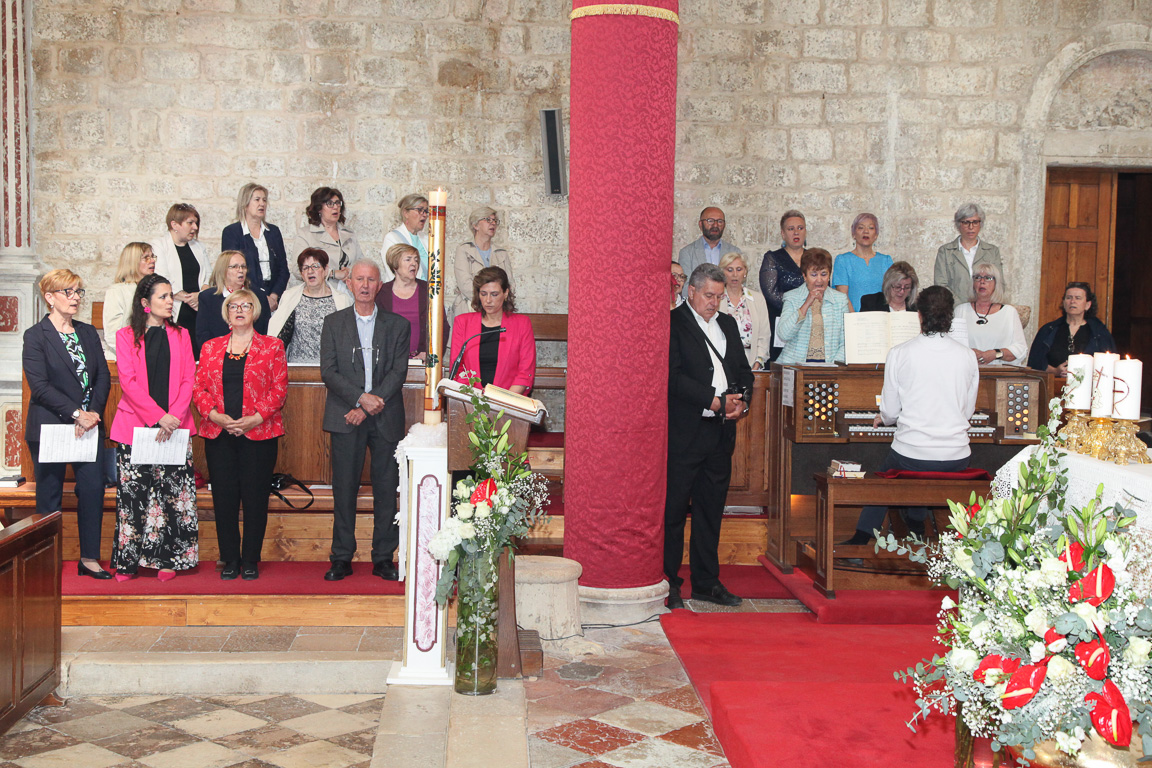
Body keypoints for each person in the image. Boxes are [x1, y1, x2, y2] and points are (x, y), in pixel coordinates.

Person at [843, 286, 979, 545]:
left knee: (886, 473)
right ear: (950, 317)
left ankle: (862, 538)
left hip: (912, 456)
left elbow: (890, 412)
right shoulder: (968, 356)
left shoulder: (900, 353)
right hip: (957, 457)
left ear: (919, 315)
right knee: (921, 465)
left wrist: (884, 418)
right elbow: (967, 412)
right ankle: (917, 522)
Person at [665, 263, 754, 609]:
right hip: (686, 433)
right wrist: (714, 401)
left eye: (719, 296)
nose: (714, 303)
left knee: (710, 511)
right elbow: (672, 377)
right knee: (674, 512)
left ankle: (706, 582)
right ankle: (669, 582)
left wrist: (741, 402)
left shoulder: (727, 324)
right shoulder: (673, 323)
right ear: (691, 291)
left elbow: (743, 371)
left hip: (720, 434)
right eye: (708, 296)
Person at [319, 260, 410, 582]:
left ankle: (383, 557)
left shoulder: (397, 325)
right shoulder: (333, 323)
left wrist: (368, 406)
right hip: (346, 415)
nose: (365, 285)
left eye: (371, 279)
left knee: (386, 490)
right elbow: (328, 371)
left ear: (380, 285)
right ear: (350, 284)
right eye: (359, 279)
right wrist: (360, 399)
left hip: (384, 416)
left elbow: (398, 372)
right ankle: (341, 557)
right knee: (344, 489)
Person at [23, 269, 112, 579]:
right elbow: (40, 386)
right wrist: (76, 413)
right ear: (50, 297)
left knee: (92, 490)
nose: (75, 298)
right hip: (52, 426)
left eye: (78, 292)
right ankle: (46, 562)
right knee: (49, 496)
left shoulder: (87, 333)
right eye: (68, 292)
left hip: (89, 426)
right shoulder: (36, 335)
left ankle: (89, 559)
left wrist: (93, 413)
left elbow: (102, 376)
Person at [194, 289, 288, 581]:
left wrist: (253, 419)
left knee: (255, 498)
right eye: (233, 306)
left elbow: (279, 390)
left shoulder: (272, 346)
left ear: (254, 311)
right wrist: (215, 416)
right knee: (224, 499)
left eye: (245, 306)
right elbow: (199, 388)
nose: (239, 310)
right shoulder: (210, 347)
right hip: (219, 434)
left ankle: (250, 559)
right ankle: (230, 558)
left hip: (259, 433)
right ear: (226, 313)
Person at [110, 274, 199, 582]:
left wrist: (173, 416)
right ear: (145, 303)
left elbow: (188, 379)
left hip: (176, 426)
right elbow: (128, 382)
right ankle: (128, 563)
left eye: (171, 296)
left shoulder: (182, 334)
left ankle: (169, 560)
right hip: (136, 427)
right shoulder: (126, 336)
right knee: (133, 498)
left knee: (173, 497)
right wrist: (158, 416)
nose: (170, 301)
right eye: (163, 296)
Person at [448, 266, 535, 393]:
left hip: (508, 398)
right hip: (471, 397)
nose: (488, 300)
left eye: (494, 294)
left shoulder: (522, 324)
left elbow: (525, 372)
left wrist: (501, 399)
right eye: (483, 294)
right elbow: (457, 369)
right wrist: (476, 396)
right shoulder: (463, 322)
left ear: (505, 293)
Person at [267, 248, 352, 364]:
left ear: (325, 270)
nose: (310, 271)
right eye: (305, 268)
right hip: (297, 367)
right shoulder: (290, 297)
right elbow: (279, 337)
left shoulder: (343, 300)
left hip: (331, 367)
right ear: (302, 274)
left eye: (315, 266)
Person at [776, 248, 853, 365]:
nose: (819, 280)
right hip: (794, 366)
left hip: (830, 366)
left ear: (829, 275)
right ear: (804, 276)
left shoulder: (840, 300)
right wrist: (806, 303)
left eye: (824, 274)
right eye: (814, 275)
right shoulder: (792, 297)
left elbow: (846, 341)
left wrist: (832, 367)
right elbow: (784, 334)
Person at [221, 183, 289, 311]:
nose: (262, 204)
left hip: (274, 299)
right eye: (257, 200)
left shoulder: (273, 232)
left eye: (264, 200)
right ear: (245, 204)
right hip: (245, 298)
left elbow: (283, 269)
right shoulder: (232, 232)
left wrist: (274, 296)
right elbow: (233, 271)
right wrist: (261, 297)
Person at [151, 203, 209, 348]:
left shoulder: (198, 246)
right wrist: (190, 298)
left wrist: (200, 295)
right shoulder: (159, 245)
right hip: (175, 309)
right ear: (174, 225)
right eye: (190, 223)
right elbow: (162, 277)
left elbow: (208, 275)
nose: (195, 227)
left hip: (198, 309)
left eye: (196, 223)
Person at [1027, 282, 1117, 375]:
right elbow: (1034, 363)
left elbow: (1108, 366)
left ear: (1087, 305)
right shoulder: (1049, 330)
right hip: (1053, 382)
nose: (1072, 301)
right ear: (1064, 303)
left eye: (1078, 298)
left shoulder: (1099, 333)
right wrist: (1055, 371)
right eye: (1069, 297)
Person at [195, 250, 272, 357]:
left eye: (243, 266)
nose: (241, 270)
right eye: (235, 267)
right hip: (218, 357)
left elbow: (265, 330)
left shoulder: (259, 296)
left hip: (253, 356)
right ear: (223, 270)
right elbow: (202, 335)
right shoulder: (207, 298)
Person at [376, 243, 443, 362]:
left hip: (421, 362)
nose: (414, 264)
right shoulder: (381, 292)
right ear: (395, 265)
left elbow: (442, 326)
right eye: (408, 259)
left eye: (416, 260)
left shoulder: (428, 290)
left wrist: (430, 353)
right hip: (389, 362)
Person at [954, 263, 1027, 366]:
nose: (982, 281)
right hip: (968, 370)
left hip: (999, 372)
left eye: (988, 278)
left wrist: (995, 354)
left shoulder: (1009, 312)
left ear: (996, 284)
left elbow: (1020, 349)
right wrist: (969, 352)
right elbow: (951, 345)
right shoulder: (961, 310)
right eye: (977, 277)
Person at [759, 210, 808, 361]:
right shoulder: (772, 258)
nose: (796, 232)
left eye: (800, 228)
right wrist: (798, 310)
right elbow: (771, 293)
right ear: (783, 233)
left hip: (809, 321)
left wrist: (807, 310)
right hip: (781, 321)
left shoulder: (814, 258)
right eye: (791, 229)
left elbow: (823, 288)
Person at [291, 187, 364, 290]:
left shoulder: (349, 233)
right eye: (330, 204)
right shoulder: (306, 234)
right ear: (319, 208)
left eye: (338, 203)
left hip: (348, 292)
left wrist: (350, 273)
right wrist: (332, 273)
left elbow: (361, 263)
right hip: (321, 291)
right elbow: (297, 269)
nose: (335, 207)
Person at [934, 202, 1003, 304]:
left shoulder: (992, 251)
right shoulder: (945, 252)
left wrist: (982, 306)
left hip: (985, 308)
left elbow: (998, 283)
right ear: (958, 224)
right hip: (954, 308)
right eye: (966, 222)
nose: (971, 227)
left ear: (980, 224)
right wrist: (961, 306)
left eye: (975, 222)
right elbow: (941, 285)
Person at [451, 207, 513, 319]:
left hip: (497, 310)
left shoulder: (501, 253)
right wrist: (486, 301)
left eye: (495, 221)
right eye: (488, 220)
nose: (493, 223)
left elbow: (510, 283)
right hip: (470, 307)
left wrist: (496, 303)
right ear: (475, 225)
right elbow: (464, 283)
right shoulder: (464, 250)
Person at [717, 252, 771, 369]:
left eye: (739, 269)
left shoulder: (757, 299)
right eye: (729, 270)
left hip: (751, 362)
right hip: (722, 363)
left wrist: (758, 362)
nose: (735, 274)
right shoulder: (716, 299)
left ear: (745, 272)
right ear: (722, 273)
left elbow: (764, 335)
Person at [103, 242, 156, 360]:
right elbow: (112, 334)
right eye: (146, 258)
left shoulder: (154, 289)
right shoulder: (117, 291)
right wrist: (137, 354)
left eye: (152, 257)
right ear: (132, 262)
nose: (152, 261)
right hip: (124, 356)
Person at [832, 212, 892, 311]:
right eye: (861, 228)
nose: (866, 231)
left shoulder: (886, 261)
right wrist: (855, 319)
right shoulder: (843, 260)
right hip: (853, 317)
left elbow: (892, 294)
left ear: (876, 234)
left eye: (871, 228)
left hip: (881, 317)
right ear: (853, 233)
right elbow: (842, 296)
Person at [677, 206, 742, 292]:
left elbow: (738, 285)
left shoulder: (734, 252)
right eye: (710, 221)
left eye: (720, 221)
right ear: (700, 224)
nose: (715, 225)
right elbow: (685, 286)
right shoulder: (687, 253)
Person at [381, 193, 430, 282]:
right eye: (420, 210)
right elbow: (392, 272)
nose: (424, 215)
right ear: (406, 213)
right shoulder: (392, 238)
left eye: (426, 211)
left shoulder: (427, 239)